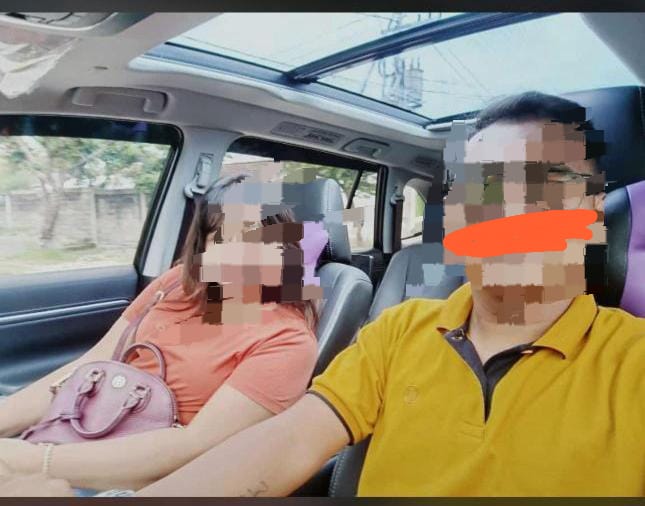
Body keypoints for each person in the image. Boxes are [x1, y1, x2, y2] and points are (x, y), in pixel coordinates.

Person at [2, 91, 644, 497]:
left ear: (591, 212)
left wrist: (47, 467)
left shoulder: (632, 362)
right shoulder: (399, 332)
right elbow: (284, 445)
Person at [0, 173, 321, 493]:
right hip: (82, 429)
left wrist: (36, 461)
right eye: (221, 238)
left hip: (144, 480)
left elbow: (195, 447)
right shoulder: (176, 284)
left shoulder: (287, 340)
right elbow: (91, 363)